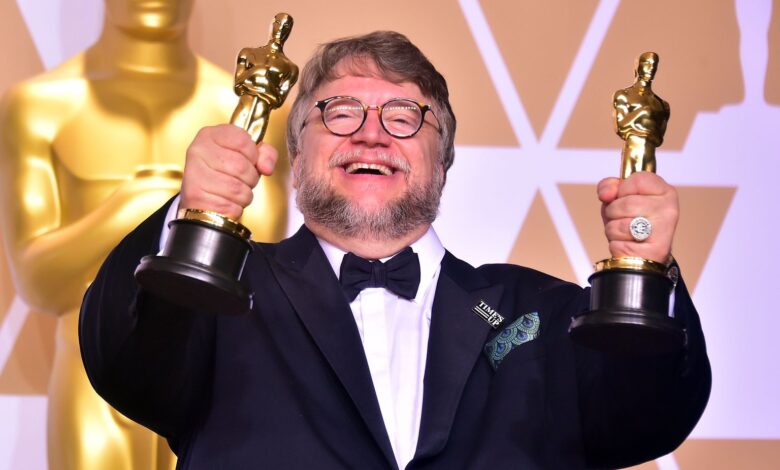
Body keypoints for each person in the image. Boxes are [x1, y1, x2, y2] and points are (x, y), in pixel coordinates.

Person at [79, 31, 710, 469]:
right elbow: (123, 359)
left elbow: (648, 417)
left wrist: (648, 269)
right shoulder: (225, 297)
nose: (372, 134)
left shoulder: (543, 311)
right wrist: (194, 214)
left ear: (443, 159)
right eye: (340, 112)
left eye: (405, 116)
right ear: (296, 154)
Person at [0, 0, 288, 468]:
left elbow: (256, 266)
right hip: (90, 384)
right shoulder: (39, 107)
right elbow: (38, 282)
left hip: (212, 378)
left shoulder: (252, 106)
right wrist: (147, 202)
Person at [613, 51, 671, 179]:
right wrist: (643, 112)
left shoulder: (662, 105)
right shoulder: (624, 95)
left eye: (654, 65)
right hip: (632, 150)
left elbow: (659, 137)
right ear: (638, 66)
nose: (651, 68)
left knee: (648, 187)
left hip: (650, 153)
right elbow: (621, 127)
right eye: (647, 63)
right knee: (627, 186)